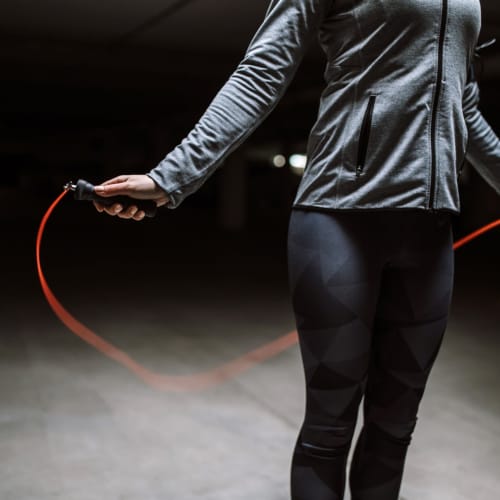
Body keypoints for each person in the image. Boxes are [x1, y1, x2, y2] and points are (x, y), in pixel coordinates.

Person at [93, 1, 500, 499]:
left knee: (395, 430)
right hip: (339, 220)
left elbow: (465, 102)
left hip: (431, 232)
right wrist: (171, 176)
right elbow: (262, 72)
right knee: (330, 429)